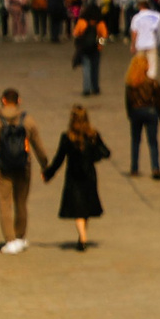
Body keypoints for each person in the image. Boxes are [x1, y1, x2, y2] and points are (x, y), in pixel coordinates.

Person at [0, 88, 52, 253]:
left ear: (3, 100)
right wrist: (45, 165)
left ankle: (10, 240)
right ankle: (20, 236)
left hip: (1, 167)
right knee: (21, 202)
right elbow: (38, 146)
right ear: (19, 101)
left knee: (4, 203)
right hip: (23, 166)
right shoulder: (27, 121)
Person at [41, 104, 112, 252]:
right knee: (84, 207)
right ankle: (82, 236)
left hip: (74, 175)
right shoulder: (93, 135)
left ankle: (82, 237)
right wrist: (94, 156)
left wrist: (48, 173)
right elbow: (106, 152)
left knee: (78, 208)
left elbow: (59, 159)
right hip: (89, 175)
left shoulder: (67, 137)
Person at [124, 50, 160, 178]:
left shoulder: (131, 84)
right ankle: (155, 168)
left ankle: (134, 168)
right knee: (153, 141)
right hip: (150, 112)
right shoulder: (152, 82)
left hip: (136, 112)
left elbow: (128, 101)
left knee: (136, 141)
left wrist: (130, 114)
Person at [73, 11, 108, 96]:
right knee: (95, 69)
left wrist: (80, 43)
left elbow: (76, 33)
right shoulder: (100, 23)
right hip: (95, 49)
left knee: (86, 69)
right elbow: (104, 35)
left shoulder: (82, 22)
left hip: (84, 49)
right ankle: (95, 87)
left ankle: (86, 89)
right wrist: (100, 46)